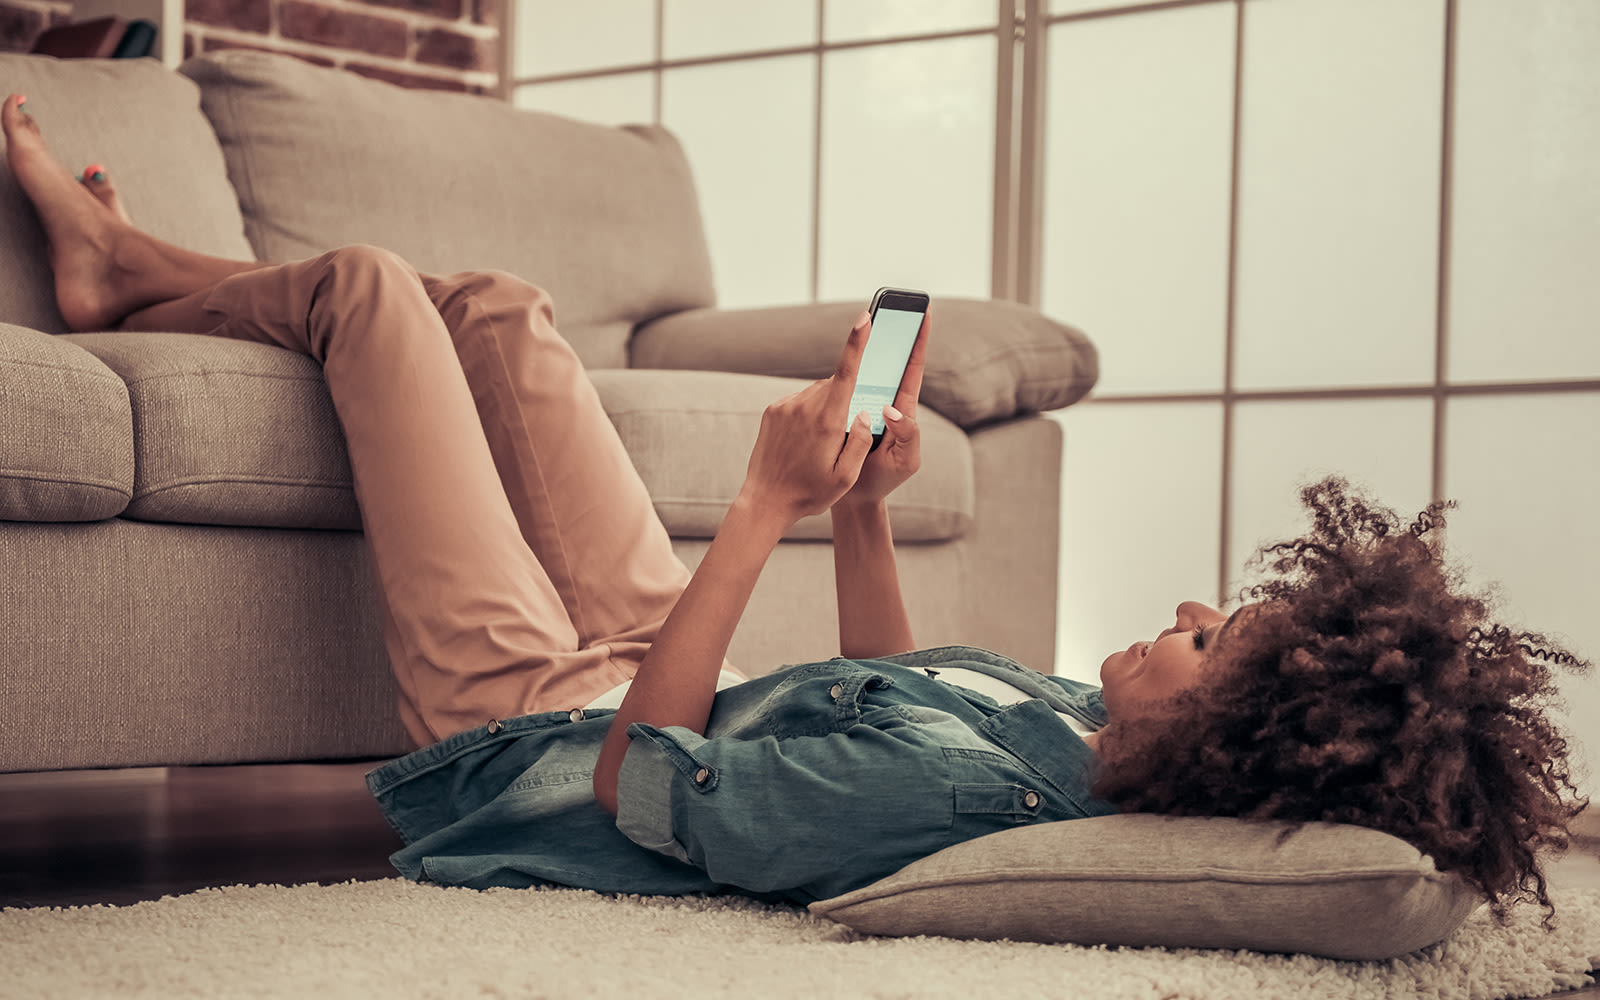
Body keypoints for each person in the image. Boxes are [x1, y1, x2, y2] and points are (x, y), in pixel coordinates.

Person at [3, 95, 1588, 918]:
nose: (1185, 609)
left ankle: (124, 270)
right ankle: (130, 269)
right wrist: (865, 509)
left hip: (531, 739)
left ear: (1227, 743)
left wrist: (760, 509)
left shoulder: (971, 819)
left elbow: (637, 788)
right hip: (652, 668)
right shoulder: (1082, 738)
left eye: (1212, 637)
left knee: (364, 290)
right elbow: (894, 689)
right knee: (496, 303)